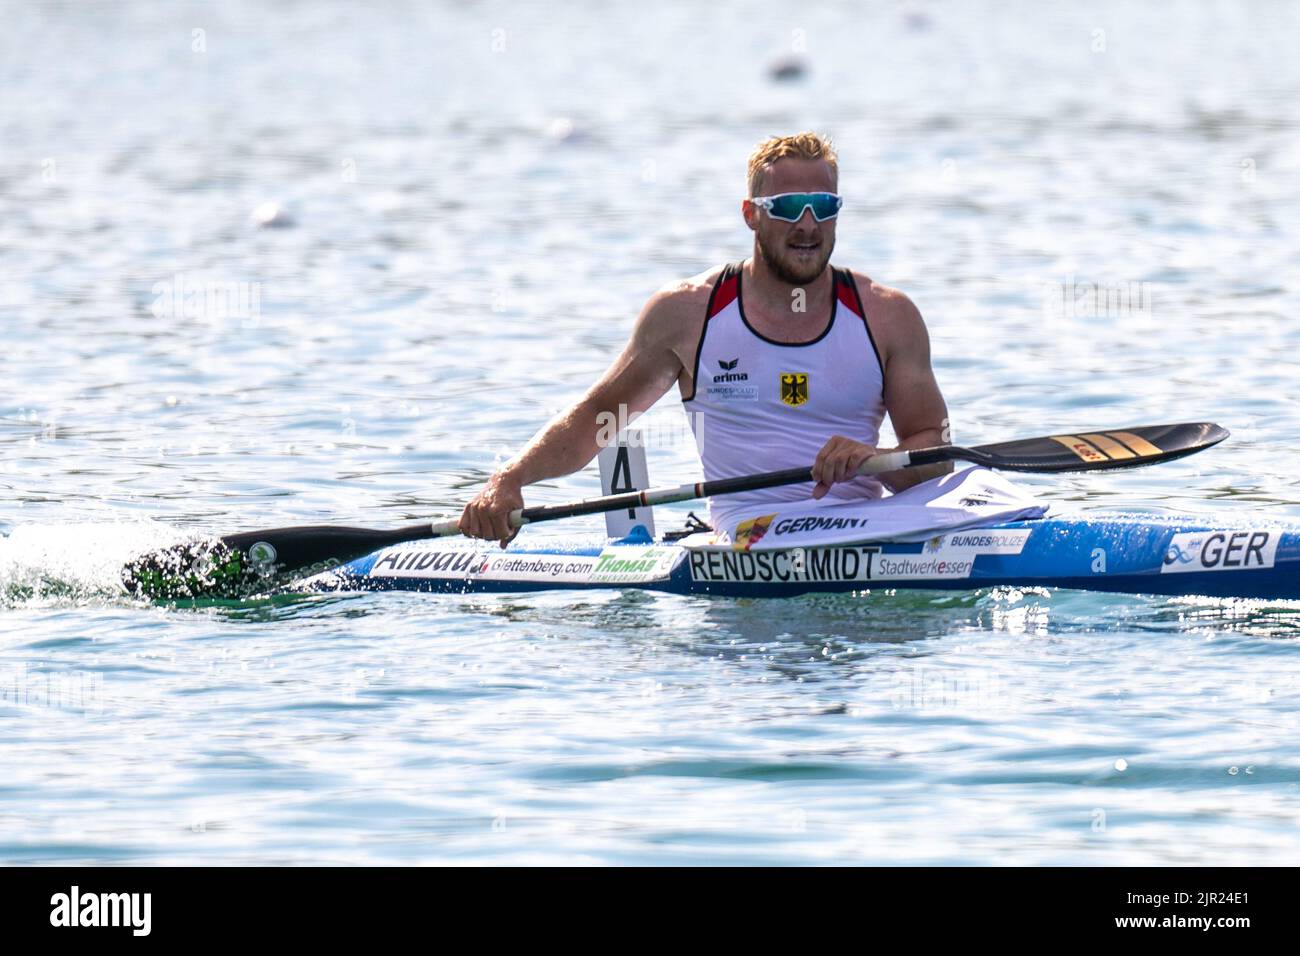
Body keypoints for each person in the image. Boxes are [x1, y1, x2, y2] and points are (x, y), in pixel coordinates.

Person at [460, 132, 952, 547]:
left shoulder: (888, 316)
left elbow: (939, 453)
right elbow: (598, 420)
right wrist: (510, 479)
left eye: (823, 207)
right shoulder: (688, 313)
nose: (807, 224)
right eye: (787, 207)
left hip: (863, 536)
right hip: (744, 545)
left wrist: (877, 462)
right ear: (750, 214)